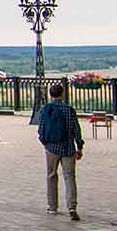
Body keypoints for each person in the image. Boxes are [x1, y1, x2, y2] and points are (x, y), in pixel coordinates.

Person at [35, 82, 83, 220]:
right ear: (62, 94)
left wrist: (45, 143)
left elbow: (41, 129)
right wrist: (79, 147)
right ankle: (72, 207)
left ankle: (52, 207)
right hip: (68, 148)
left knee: (51, 175)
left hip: (51, 148)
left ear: (50, 95)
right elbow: (76, 130)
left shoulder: (45, 109)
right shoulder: (69, 110)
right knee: (69, 177)